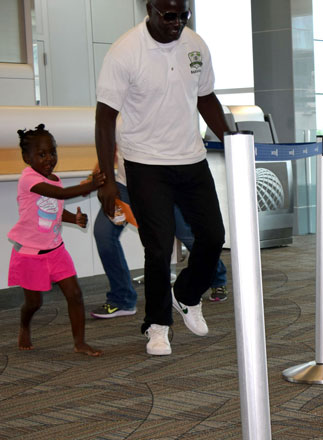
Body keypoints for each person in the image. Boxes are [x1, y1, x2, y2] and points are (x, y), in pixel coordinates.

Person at [95, 0, 230, 356]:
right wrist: (108, 179)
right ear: (150, 9)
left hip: (190, 157)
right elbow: (105, 117)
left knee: (214, 236)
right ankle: (157, 326)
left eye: (183, 15)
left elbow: (206, 98)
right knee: (158, 246)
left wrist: (232, 139)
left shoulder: (195, 45)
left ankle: (185, 295)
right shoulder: (125, 51)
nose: (177, 23)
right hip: (144, 162)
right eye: (169, 15)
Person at [90, 155, 228, 320]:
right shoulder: (113, 127)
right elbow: (110, 146)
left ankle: (217, 278)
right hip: (124, 184)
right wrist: (100, 175)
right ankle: (122, 298)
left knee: (187, 235)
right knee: (103, 233)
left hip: (162, 183)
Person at [8, 124, 105, 356]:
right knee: (34, 303)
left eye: (53, 152)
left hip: (55, 250)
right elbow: (59, 195)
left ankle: (79, 343)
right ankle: (24, 325)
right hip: (31, 253)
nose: (49, 158)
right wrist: (90, 186)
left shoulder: (54, 178)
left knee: (75, 294)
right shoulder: (27, 179)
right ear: (26, 157)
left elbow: (54, 209)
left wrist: (75, 218)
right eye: (42, 154)